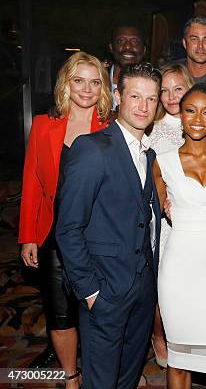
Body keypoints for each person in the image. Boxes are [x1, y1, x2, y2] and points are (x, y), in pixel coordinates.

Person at [56, 63, 162, 389]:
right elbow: (68, 228)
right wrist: (90, 292)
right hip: (106, 291)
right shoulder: (91, 150)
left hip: (142, 290)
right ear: (118, 96)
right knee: (101, 382)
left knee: (127, 378)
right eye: (135, 96)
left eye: (151, 99)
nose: (143, 106)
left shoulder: (149, 154)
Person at [18, 51, 112, 387]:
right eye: (78, 80)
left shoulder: (111, 128)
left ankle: (100, 373)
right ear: (66, 84)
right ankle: (71, 377)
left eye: (94, 81)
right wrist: (28, 235)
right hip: (53, 237)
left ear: (103, 87)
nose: (86, 89)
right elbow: (32, 182)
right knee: (60, 314)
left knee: (98, 311)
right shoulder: (44, 126)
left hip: (97, 236)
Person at [153, 83, 206, 388]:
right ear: (180, 114)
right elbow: (157, 210)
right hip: (178, 271)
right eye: (190, 110)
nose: (198, 118)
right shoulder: (162, 162)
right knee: (179, 363)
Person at [148, 62, 194, 368]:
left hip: (196, 218)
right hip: (164, 221)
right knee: (163, 284)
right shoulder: (152, 129)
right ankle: (159, 335)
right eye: (163, 90)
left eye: (178, 88)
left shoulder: (205, 122)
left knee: (189, 285)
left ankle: (186, 336)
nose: (171, 96)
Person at [108, 25, 147, 108]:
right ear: (111, 47)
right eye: (121, 41)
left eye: (135, 42)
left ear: (144, 50)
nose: (128, 46)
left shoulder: (153, 83)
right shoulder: (98, 77)